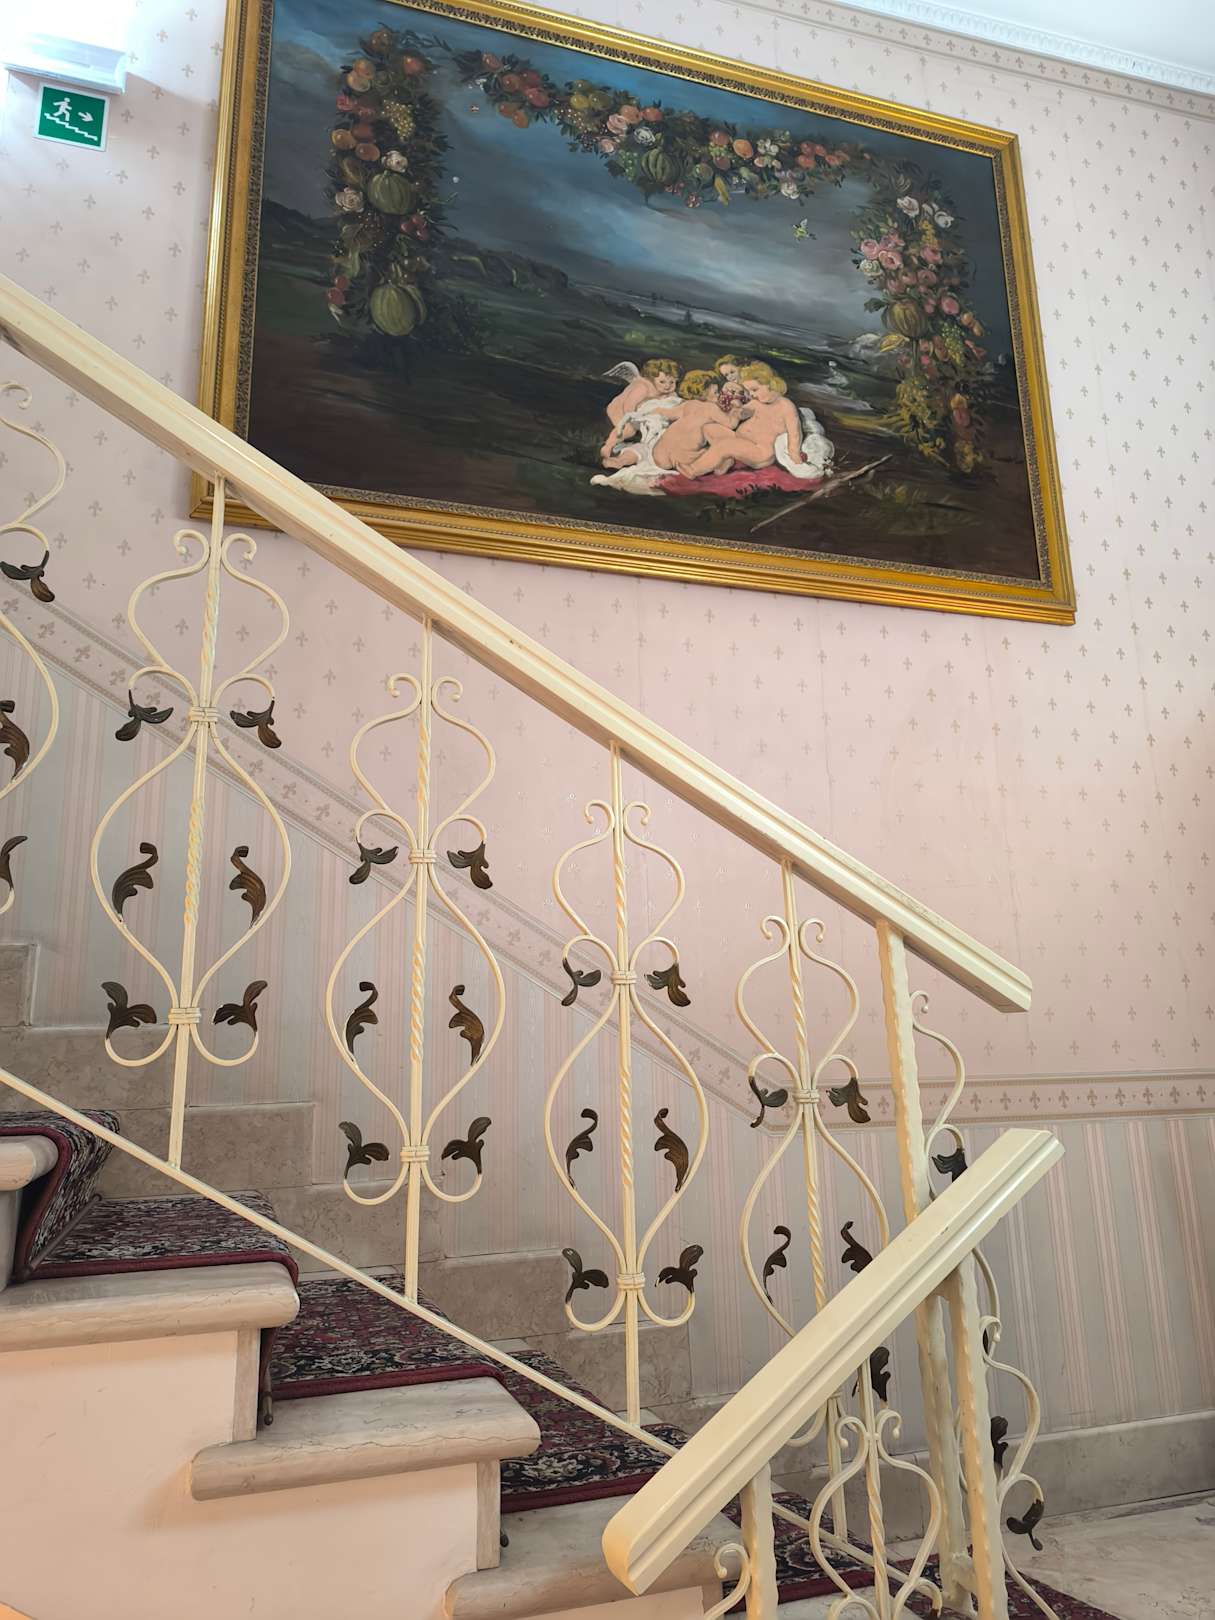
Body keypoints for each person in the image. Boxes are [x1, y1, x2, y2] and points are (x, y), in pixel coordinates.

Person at [677, 362, 832, 480]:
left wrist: (795, 456)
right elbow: (744, 412)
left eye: (755, 390)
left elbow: (795, 434)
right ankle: (725, 461)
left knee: (725, 445)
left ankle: (693, 470)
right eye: (749, 391)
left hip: (760, 451)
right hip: (742, 440)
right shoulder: (757, 402)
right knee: (709, 428)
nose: (752, 394)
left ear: (771, 384)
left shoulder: (786, 407)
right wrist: (738, 411)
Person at [650, 370, 744, 472]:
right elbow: (731, 424)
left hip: (660, 454)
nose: (718, 395)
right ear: (703, 392)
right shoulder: (711, 408)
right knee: (716, 452)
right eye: (716, 392)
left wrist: (658, 410)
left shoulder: (689, 404)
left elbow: (669, 414)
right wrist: (735, 412)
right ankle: (722, 463)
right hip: (685, 456)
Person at [600, 359, 680, 465]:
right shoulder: (642, 388)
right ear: (651, 379)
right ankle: (608, 446)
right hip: (619, 409)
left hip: (640, 412)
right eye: (662, 382)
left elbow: (675, 402)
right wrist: (635, 419)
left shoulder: (668, 391)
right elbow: (628, 406)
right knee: (628, 429)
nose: (667, 386)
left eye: (672, 382)